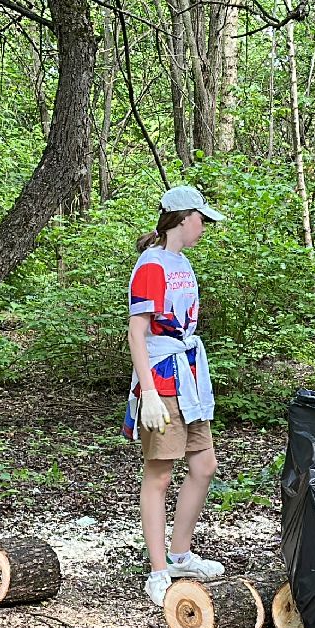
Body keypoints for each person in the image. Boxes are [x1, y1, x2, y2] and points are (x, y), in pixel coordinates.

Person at [128, 186, 231, 606]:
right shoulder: (151, 265)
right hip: (163, 381)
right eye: (201, 219)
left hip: (189, 379)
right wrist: (148, 392)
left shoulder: (182, 263)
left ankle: (180, 553)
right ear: (183, 218)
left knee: (204, 465)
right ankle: (157, 570)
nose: (204, 226)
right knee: (159, 475)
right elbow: (138, 332)